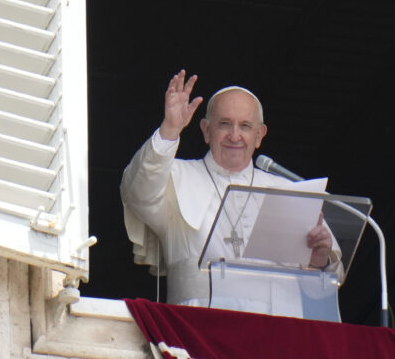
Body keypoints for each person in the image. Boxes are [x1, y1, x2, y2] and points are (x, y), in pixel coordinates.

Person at [120, 69, 339, 310]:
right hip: (197, 328)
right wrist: (170, 129)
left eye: (245, 126)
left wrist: (319, 261)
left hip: (278, 330)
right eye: (225, 124)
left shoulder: (289, 191)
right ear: (205, 130)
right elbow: (137, 190)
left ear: (259, 135)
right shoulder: (175, 176)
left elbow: (323, 285)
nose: (235, 136)